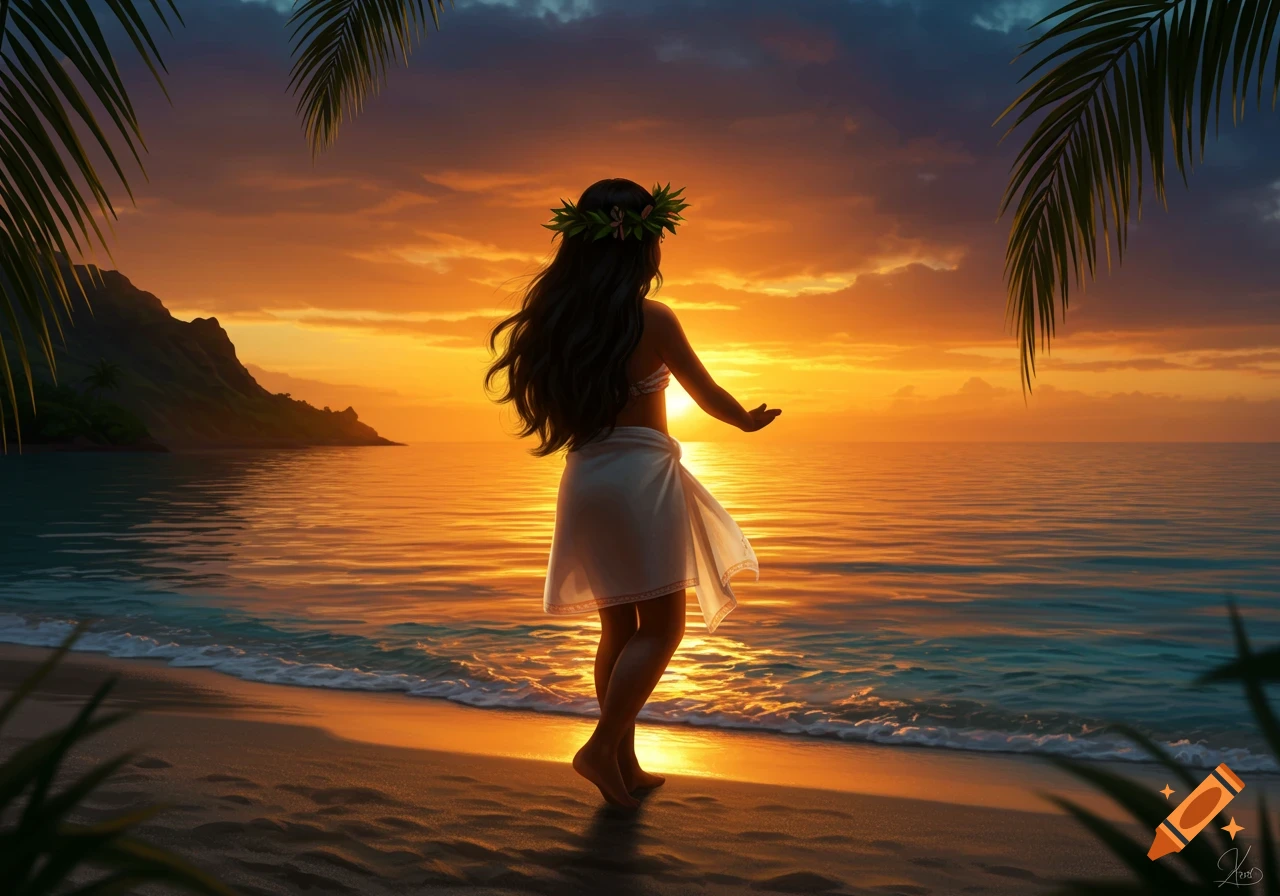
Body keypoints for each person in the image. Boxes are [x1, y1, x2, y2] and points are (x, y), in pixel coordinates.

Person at [486, 178, 780, 808]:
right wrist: (748, 421)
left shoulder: (555, 324)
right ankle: (599, 747)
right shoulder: (652, 318)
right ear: (641, 246)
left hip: (586, 478)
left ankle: (622, 762)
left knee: (617, 626)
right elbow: (708, 395)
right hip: (641, 479)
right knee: (665, 626)